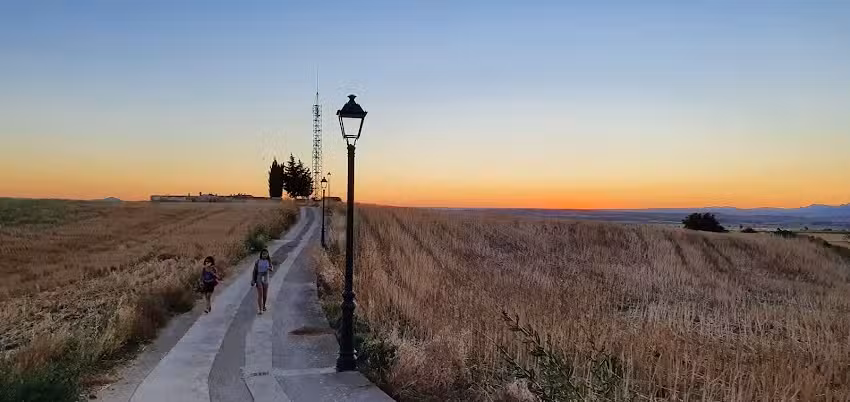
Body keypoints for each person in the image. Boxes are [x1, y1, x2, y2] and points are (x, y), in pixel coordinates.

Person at [252, 248, 274, 314]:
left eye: (266, 254)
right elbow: (254, 271)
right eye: (263, 254)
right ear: (261, 254)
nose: (264, 255)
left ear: (268, 255)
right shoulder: (258, 261)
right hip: (259, 279)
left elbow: (272, 269)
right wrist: (253, 280)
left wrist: (269, 268)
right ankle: (260, 309)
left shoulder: (268, 261)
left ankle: (264, 306)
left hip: (266, 280)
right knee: (260, 295)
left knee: (265, 295)